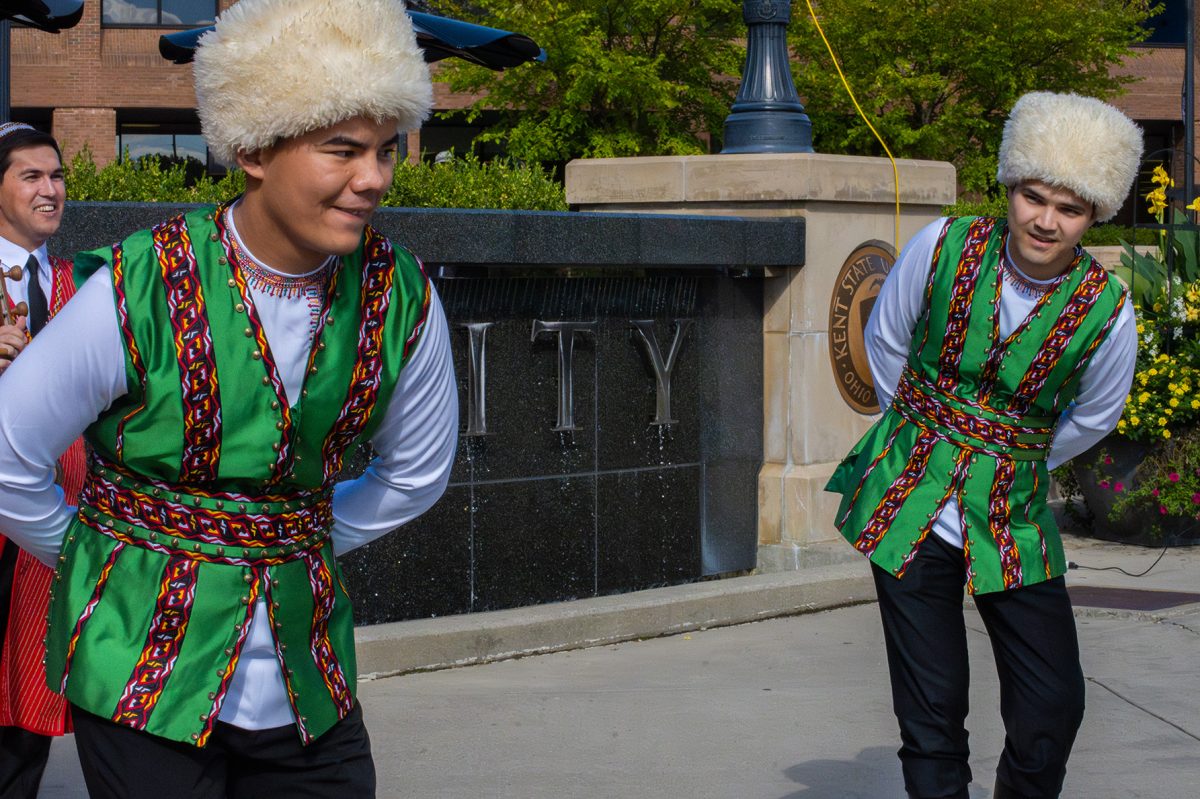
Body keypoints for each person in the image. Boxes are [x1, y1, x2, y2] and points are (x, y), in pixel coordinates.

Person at [0, 1, 457, 797]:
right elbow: (8, 455)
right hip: (137, 669)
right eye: (342, 149)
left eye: (387, 150)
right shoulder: (139, 284)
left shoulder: (401, 294)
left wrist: (281, 542)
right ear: (252, 148)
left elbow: (416, 472)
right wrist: (102, 559)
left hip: (307, 676)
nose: (374, 178)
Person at [826, 91, 1142, 799]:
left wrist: (1003, 457)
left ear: (1093, 216)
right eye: (1034, 197)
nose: (1046, 219)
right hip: (909, 501)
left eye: (1070, 208)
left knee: (1053, 705)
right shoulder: (942, 245)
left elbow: (1094, 417)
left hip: (1014, 514)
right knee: (932, 713)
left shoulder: (1108, 312)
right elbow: (885, 340)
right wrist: (923, 440)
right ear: (1010, 186)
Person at [0, 123, 86, 799]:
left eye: (55, 176)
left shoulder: (76, 287)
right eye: (31, 176)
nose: (49, 189)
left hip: (46, 518)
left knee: (30, 683)